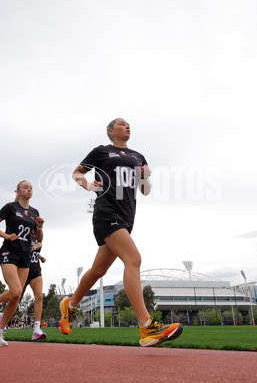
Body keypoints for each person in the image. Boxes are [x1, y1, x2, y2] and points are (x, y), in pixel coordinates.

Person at [60, 118, 183, 347]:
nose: (128, 126)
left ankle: (71, 305)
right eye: (122, 124)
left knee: (99, 269)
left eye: (129, 124)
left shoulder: (138, 156)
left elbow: (145, 191)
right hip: (107, 213)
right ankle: (147, 327)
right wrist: (87, 185)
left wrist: (145, 176)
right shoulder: (102, 151)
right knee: (133, 259)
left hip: (127, 217)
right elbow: (77, 172)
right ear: (110, 131)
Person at [0, 180, 44, 346]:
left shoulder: (34, 212)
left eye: (31, 187)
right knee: (16, 291)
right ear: (17, 191)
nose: (29, 189)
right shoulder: (10, 207)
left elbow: (38, 238)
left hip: (25, 255)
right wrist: (6, 235)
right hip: (9, 251)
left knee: (16, 298)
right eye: (25, 187)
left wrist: (38, 227)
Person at [19, 233, 47, 341]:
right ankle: (2, 316)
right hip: (23, 269)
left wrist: (40, 257)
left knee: (39, 297)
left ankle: (36, 330)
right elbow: (22, 252)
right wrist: (35, 247)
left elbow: (34, 252)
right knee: (17, 298)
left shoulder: (37, 238)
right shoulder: (24, 236)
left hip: (35, 271)